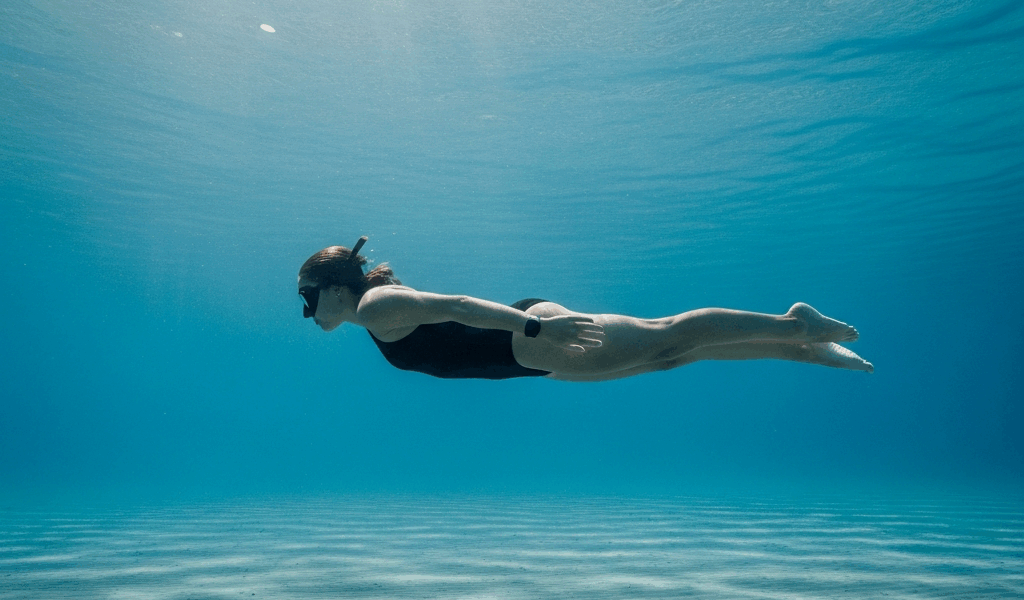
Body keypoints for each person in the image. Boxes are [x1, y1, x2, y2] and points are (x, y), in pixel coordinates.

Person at [298, 237, 873, 382]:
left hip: (536, 338)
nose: (306, 311)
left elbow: (458, 305)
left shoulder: (375, 305)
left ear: (333, 286)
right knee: (667, 357)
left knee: (666, 335)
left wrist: (533, 323)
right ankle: (802, 350)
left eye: (307, 296)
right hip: (535, 356)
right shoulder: (372, 312)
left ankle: (795, 324)